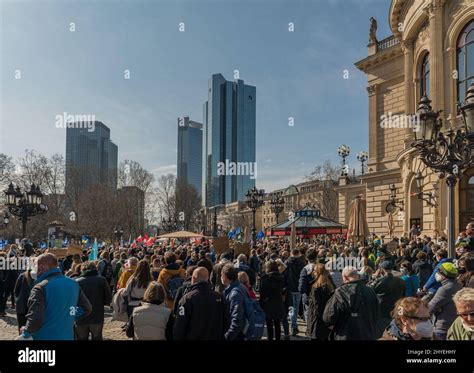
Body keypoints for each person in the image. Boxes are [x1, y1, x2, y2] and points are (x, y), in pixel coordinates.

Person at [19, 253, 92, 340]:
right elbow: (87, 308)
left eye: (35, 266)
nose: (34, 270)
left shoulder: (40, 287)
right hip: (67, 336)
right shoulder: (73, 283)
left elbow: (35, 319)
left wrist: (26, 332)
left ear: (41, 267)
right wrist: (69, 315)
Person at [323, 266, 379, 340]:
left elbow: (328, 318)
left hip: (345, 335)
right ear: (358, 276)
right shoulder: (370, 291)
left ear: (345, 277)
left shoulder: (339, 292)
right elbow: (377, 312)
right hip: (368, 334)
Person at [174, 267, 227, 340]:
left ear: (193, 278)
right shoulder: (220, 297)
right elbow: (226, 322)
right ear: (207, 278)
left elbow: (179, 326)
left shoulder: (187, 299)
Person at [75, 261, 112, 340]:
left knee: (81, 338)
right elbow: (108, 298)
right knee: (97, 337)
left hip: (81, 316)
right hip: (97, 315)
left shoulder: (77, 282)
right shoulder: (102, 280)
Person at [369, 260, 406, 335]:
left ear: (381, 269)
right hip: (395, 308)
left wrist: (374, 278)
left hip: (382, 310)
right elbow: (403, 295)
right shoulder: (400, 281)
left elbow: (369, 290)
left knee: (381, 332)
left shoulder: (380, 281)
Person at [428, 262, 462, 340]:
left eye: (438, 272)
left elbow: (431, 307)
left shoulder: (444, 289)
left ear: (443, 275)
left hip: (442, 328)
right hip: (453, 324)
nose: (436, 274)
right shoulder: (458, 285)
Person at [307, 263, 335, 340]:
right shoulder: (331, 285)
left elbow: (317, 306)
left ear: (318, 272)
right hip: (328, 317)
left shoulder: (316, 287)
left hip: (318, 319)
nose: (313, 273)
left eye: (315, 271)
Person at [259, 261, 285, 341]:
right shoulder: (281, 277)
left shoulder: (265, 278)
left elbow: (262, 292)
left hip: (268, 303)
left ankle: (270, 338)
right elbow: (284, 289)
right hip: (278, 302)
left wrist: (263, 300)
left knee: (269, 324)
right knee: (277, 323)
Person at [221, 263, 247, 340]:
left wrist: (227, 336)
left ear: (225, 276)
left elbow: (237, 320)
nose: (220, 277)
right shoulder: (239, 286)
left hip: (236, 336)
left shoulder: (235, 293)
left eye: (221, 275)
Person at [286, 248, 305, 335]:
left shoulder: (287, 262)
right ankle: (294, 325)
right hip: (298, 287)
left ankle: (293, 326)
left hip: (290, 287)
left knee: (291, 307)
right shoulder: (302, 263)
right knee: (296, 307)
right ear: (298, 254)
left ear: (291, 253)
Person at [298, 248, 318, 324]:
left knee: (309, 319)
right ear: (316, 257)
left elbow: (301, 288)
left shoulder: (305, 270)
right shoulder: (322, 268)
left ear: (306, 258)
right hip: (320, 297)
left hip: (308, 297)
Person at [13, 266, 35, 332]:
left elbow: (16, 291)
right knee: (31, 329)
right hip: (32, 307)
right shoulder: (38, 277)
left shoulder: (22, 276)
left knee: (21, 328)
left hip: (21, 306)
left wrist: (18, 300)